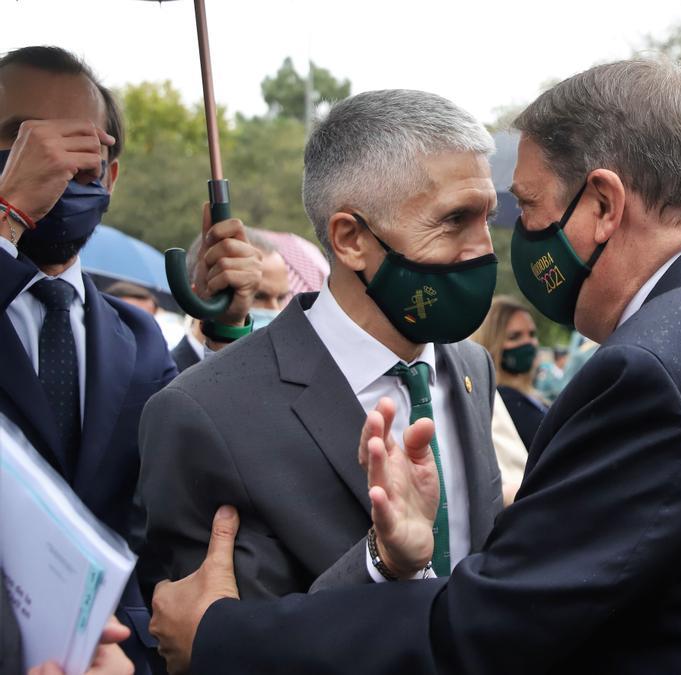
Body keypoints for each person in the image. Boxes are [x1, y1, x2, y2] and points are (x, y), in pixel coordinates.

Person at [148, 56, 681, 675]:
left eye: (521, 209)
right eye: (459, 220)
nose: (500, 244)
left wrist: (223, 637)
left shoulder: (651, 372)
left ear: (603, 204)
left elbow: (489, 624)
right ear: (350, 238)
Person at [137, 89, 504, 610]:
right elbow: (222, 642)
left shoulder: (471, 367)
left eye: (486, 217)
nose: (482, 249)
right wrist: (381, 563)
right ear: (351, 239)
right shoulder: (205, 414)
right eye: (453, 221)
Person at [0, 45, 259, 673]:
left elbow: (200, 474)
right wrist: (5, 217)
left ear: (110, 177)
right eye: (25, 140)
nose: (56, 165)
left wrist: (225, 328)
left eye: (81, 147)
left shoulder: (138, 339)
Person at [168, 227, 290, 372]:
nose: (275, 310)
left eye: (281, 298)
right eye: (256, 296)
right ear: (198, 297)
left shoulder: (277, 376)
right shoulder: (163, 381)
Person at [471, 295, 548, 449]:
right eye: (515, 336)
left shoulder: (531, 395)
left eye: (532, 334)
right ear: (492, 342)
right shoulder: (499, 401)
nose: (528, 342)